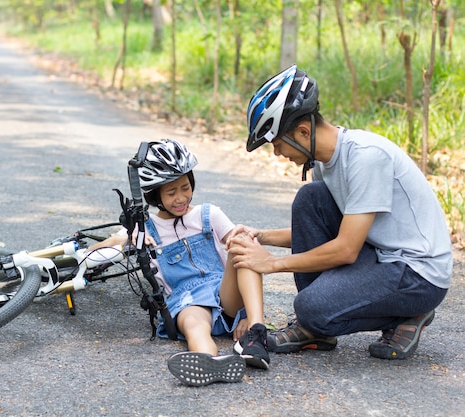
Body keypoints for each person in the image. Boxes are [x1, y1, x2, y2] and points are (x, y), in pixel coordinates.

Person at [226, 65, 452, 360]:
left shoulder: (366, 157)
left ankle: (407, 314)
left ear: (303, 131)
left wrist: (271, 264)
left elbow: (345, 249)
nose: (277, 153)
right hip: (380, 256)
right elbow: (335, 232)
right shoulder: (324, 163)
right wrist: (262, 236)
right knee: (311, 198)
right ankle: (316, 327)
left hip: (418, 274)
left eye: (278, 144)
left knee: (311, 308)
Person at [92, 138, 269, 386]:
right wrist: (128, 238)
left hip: (224, 293)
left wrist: (246, 317)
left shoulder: (209, 214)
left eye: (185, 187)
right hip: (187, 300)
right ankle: (209, 361)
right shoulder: (146, 227)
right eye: (171, 192)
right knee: (195, 325)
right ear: (156, 196)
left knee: (242, 244)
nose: (181, 198)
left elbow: (252, 257)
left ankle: (257, 330)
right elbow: (97, 250)